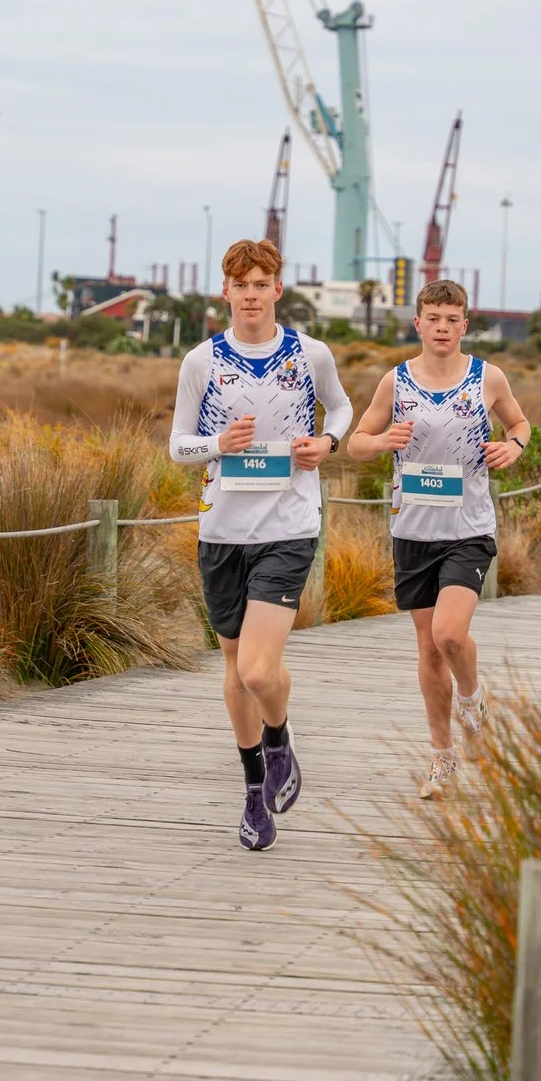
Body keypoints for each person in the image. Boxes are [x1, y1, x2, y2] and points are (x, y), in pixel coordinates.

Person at [167, 239, 355, 851]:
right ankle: (256, 788)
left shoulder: (309, 354)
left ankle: (279, 738)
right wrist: (217, 444)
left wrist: (326, 444)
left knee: (255, 668)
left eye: (261, 283)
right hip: (220, 530)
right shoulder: (201, 361)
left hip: (288, 526)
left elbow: (342, 408)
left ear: (278, 289)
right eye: (239, 284)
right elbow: (178, 447)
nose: (250, 294)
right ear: (226, 292)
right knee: (233, 665)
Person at [344, 280, 532, 799]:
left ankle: (472, 698)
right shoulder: (396, 381)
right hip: (413, 530)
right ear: (419, 324)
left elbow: (519, 422)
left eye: (453, 319)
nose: (443, 327)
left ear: (464, 326)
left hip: (468, 528)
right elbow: (357, 443)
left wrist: (513, 446)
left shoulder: (487, 377)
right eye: (434, 318)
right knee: (429, 652)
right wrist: (381, 441)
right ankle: (442, 757)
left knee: (451, 635)